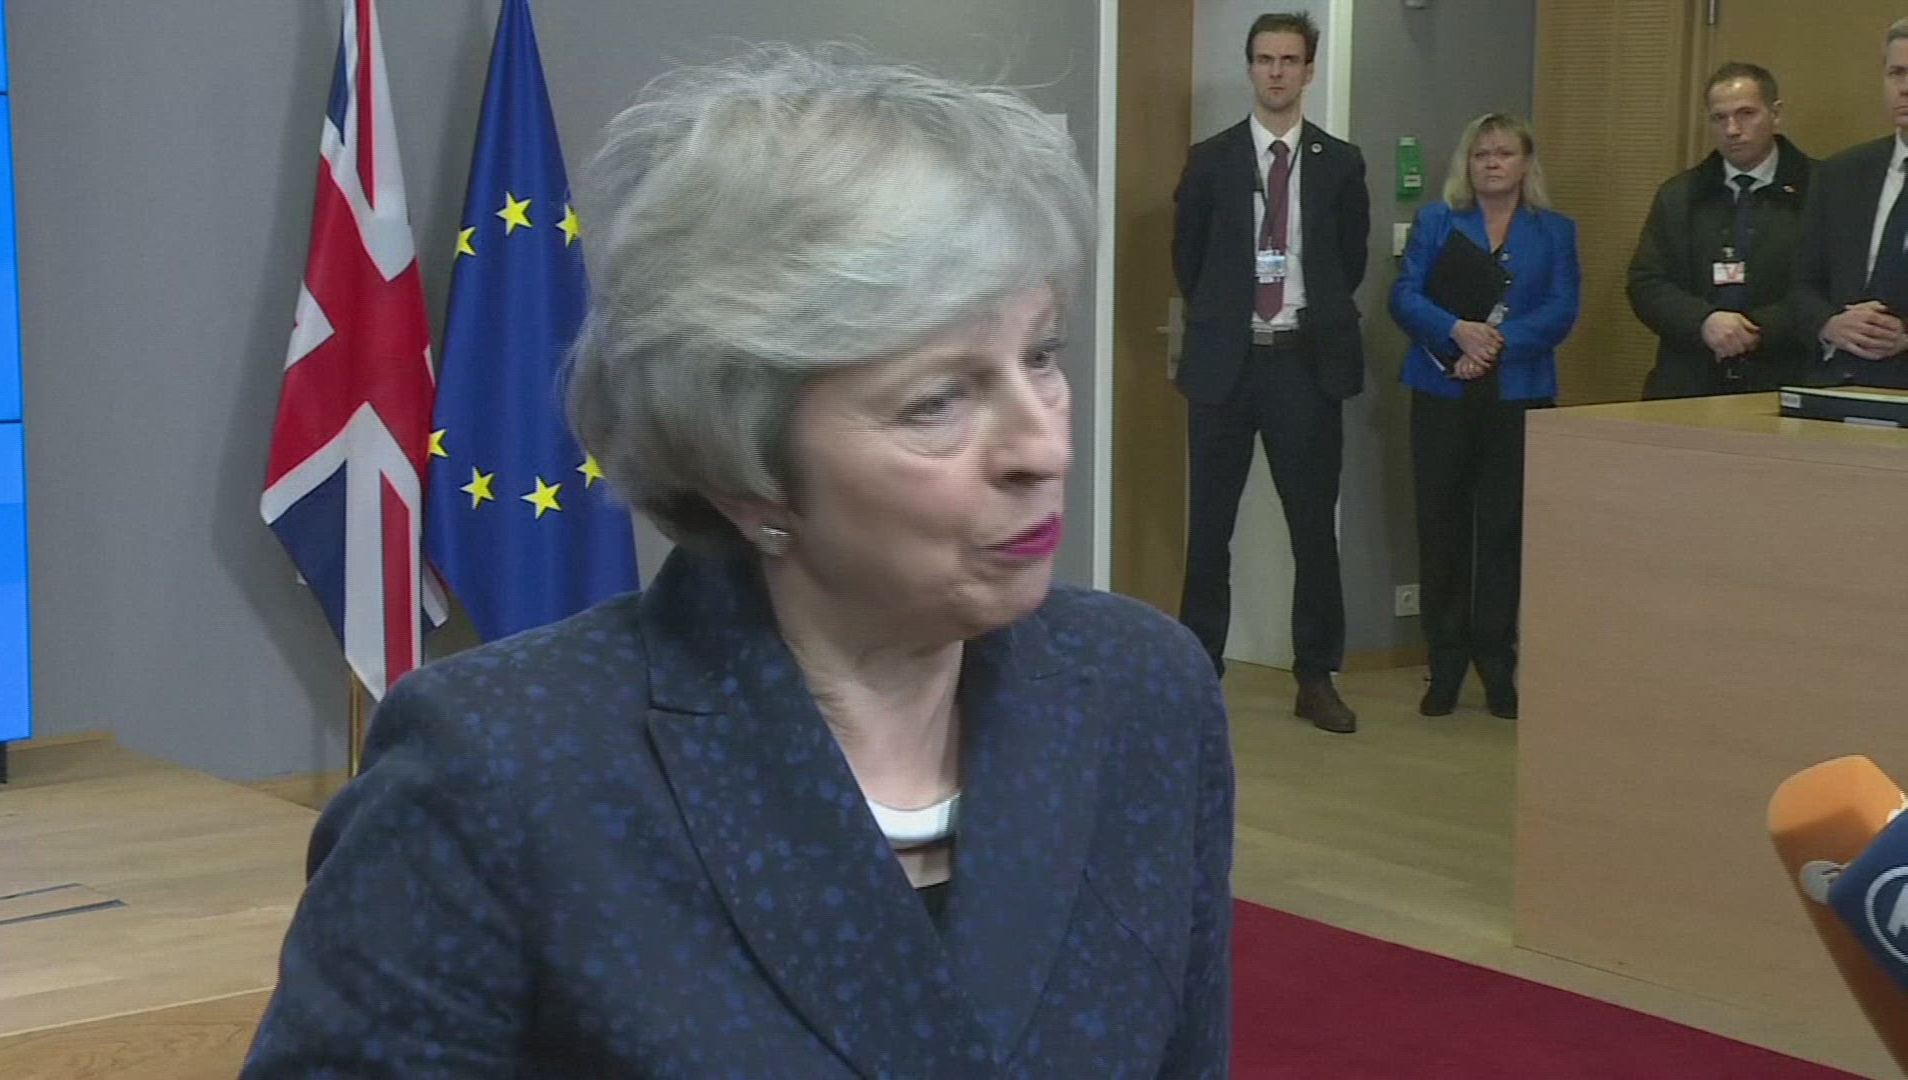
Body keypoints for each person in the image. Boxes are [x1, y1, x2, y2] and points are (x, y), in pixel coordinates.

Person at [241, 47, 1234, 1078]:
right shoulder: (494, 772)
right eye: (939, 400)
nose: (1043, 447)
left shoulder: (1145, 691)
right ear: (744, 468)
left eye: (1041, 357)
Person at [1172, 11, 1369, 733]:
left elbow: (1349, 261)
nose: (1276, 72)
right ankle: (1199, 673)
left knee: (1314, 532)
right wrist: (1229, 316)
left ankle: (1315, 675)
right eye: (1264, 59)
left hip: (1304, 365)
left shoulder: (1339, 162)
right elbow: (1189, 260)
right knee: (1209, 530)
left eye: (1289, 60)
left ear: (1308, 71)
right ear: (1250, 67)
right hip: (1226, 367)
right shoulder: (1210, 159)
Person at [1388, 113, 1580, 720]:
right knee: (1441, 527)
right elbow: (1405, 295)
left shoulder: (1554, 231)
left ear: (1526, 163)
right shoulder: (1438, 221)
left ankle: (1498, 664)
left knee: (1503, 530)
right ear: (1466, 164)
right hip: (1441, 391)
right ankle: (1444, 664)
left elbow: (1561, 310)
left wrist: (1494, 344)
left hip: (1517, 394)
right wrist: (1456, 333)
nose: (1492, 163)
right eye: (1481, 154)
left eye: (1504, 153)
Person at [1629, 63, 1815, 399]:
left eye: (1746, 114)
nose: (1732, 129)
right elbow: (1647, 283)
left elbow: (1831, 285)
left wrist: (1759, 329)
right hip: (1688, 379)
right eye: (1719, 118)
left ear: (1775, 114)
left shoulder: (1821, 189)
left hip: (1787, 375)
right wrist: (1704, 321)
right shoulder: (1678, 195)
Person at [1794, 18, 1908, 389]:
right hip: (1839, 382)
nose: (1905, 88)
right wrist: (1829, 324)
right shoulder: (1841, 173)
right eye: (1896, 73)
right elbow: (1801, 285)